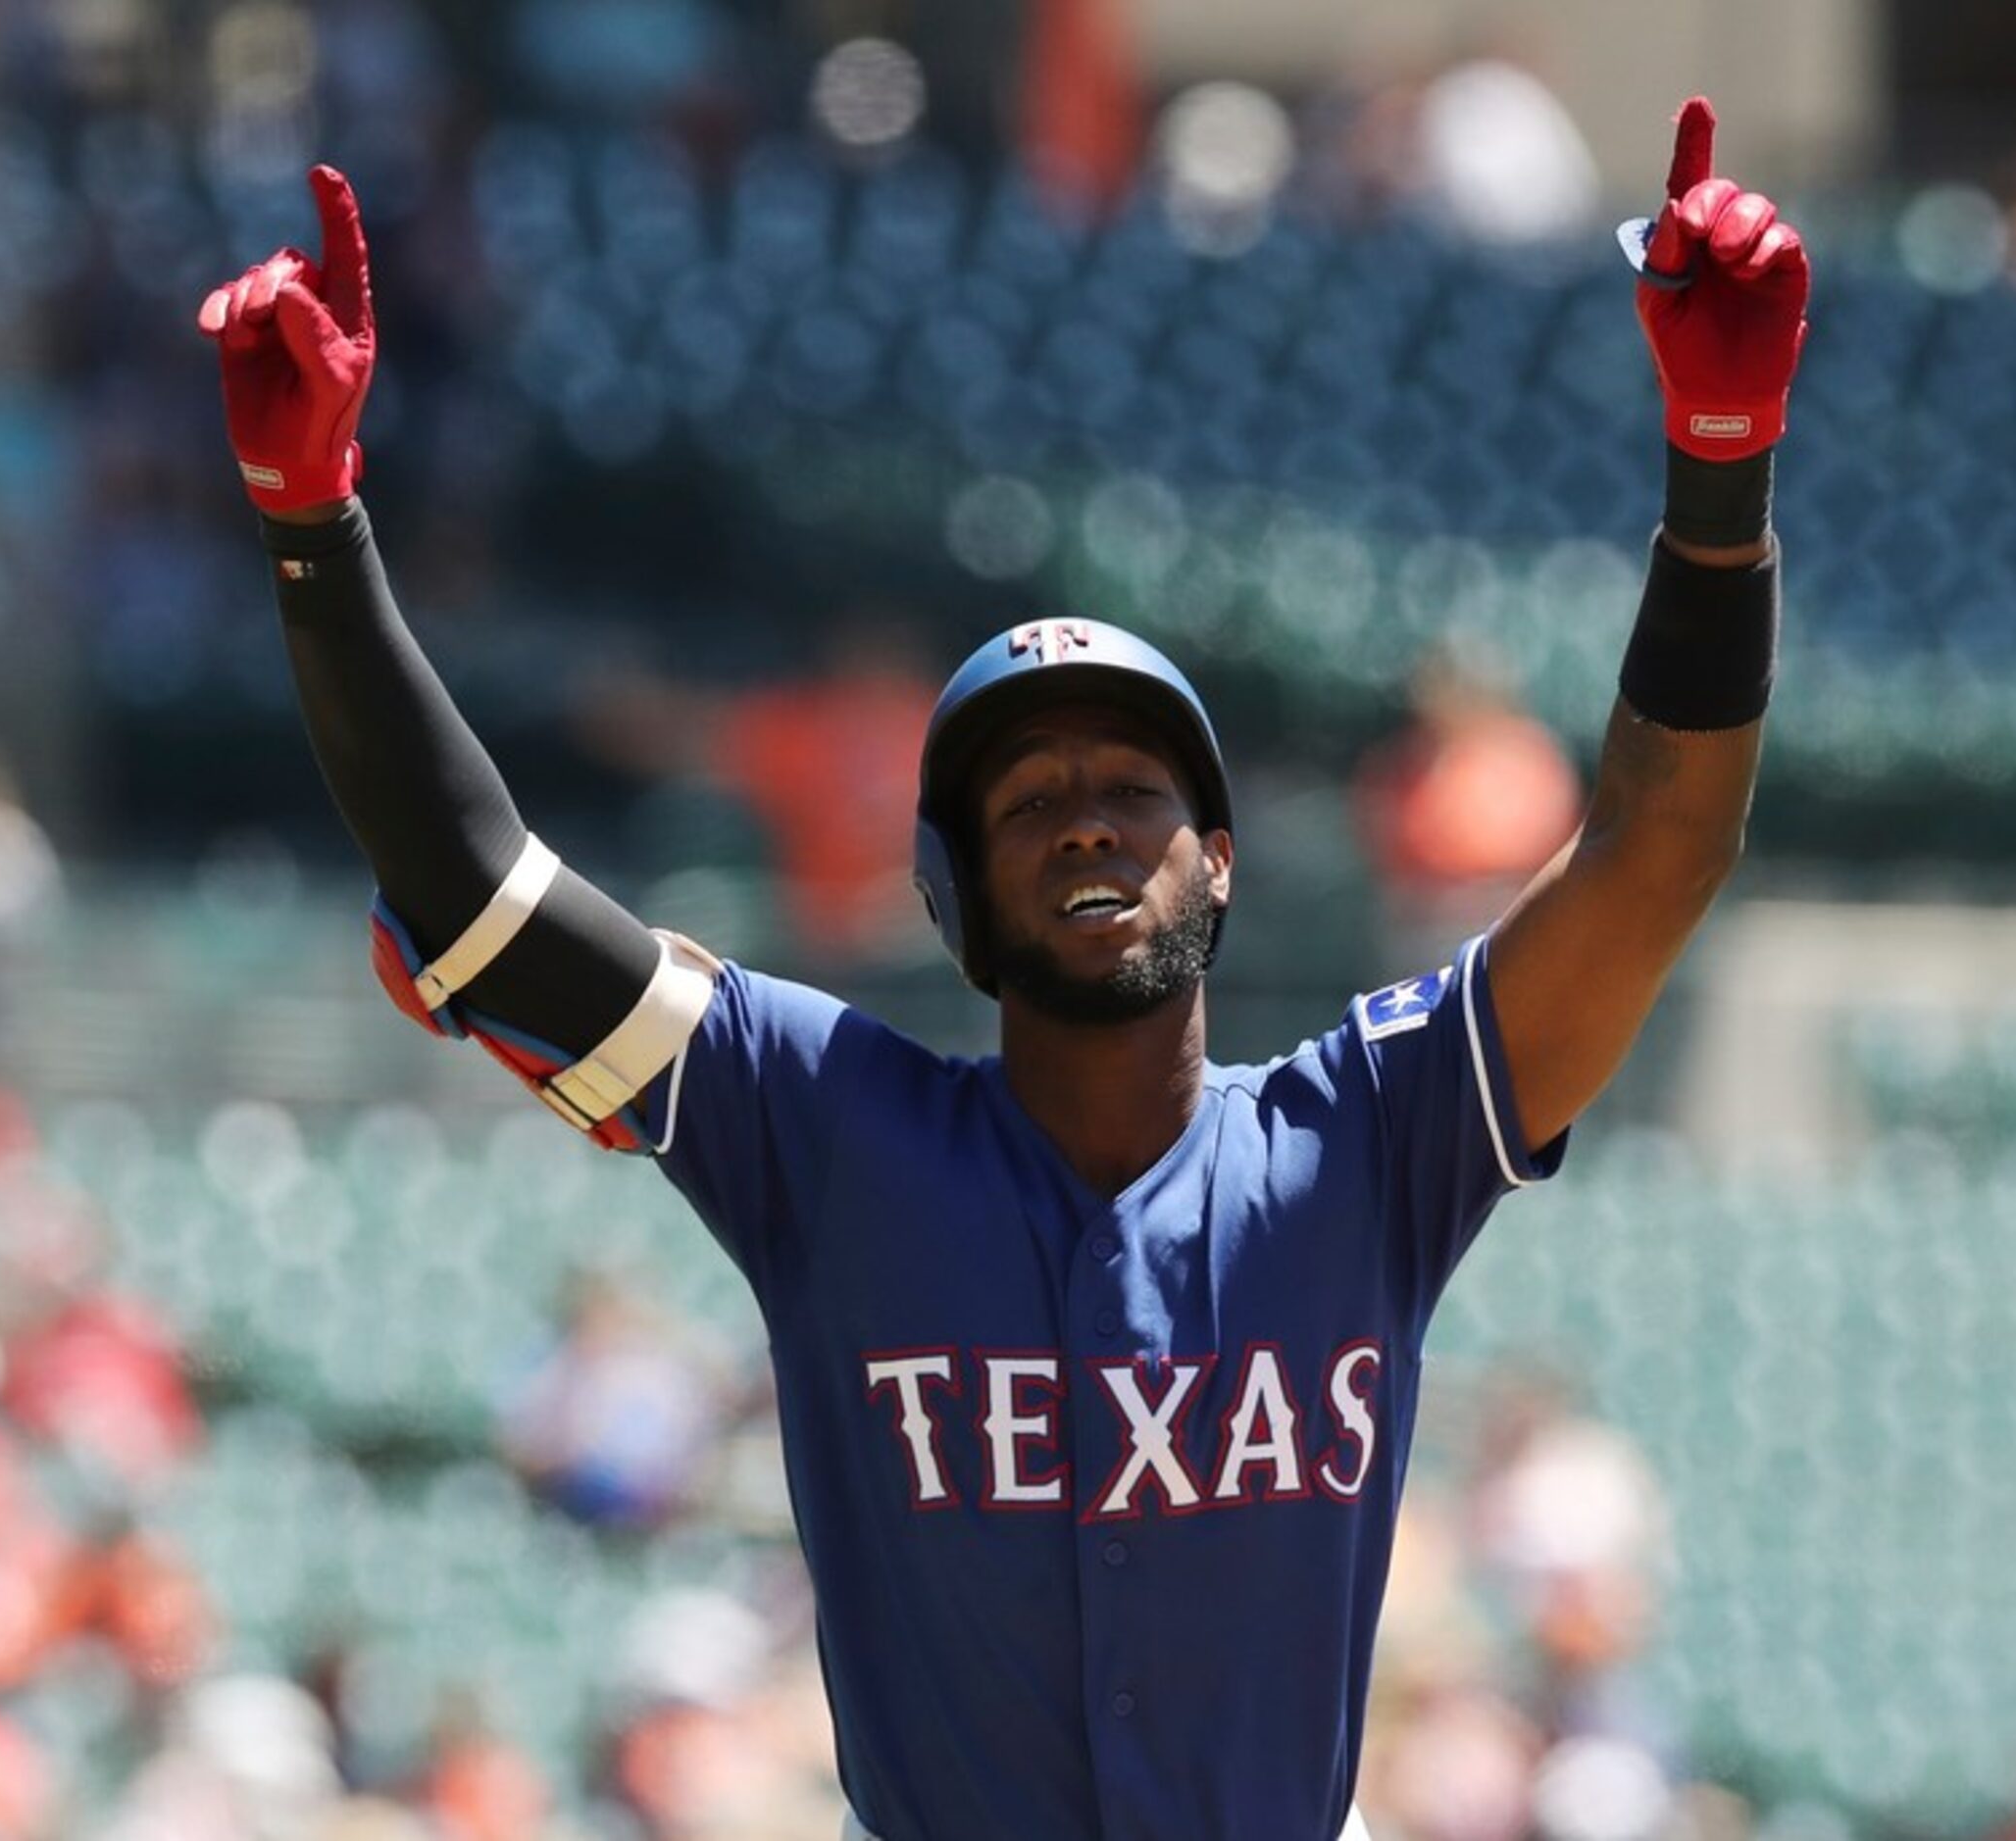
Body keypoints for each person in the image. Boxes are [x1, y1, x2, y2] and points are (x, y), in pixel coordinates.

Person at [196, 95, 1805, 1841]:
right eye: (1029, 798)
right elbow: (473, 888)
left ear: (1225, 859)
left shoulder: (1371, 1135)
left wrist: (1720, 466)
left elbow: (1659, 850)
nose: (1091, 822)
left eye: (1134, 787)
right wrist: (317, 531)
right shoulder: (818, 1122)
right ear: (951, 896)